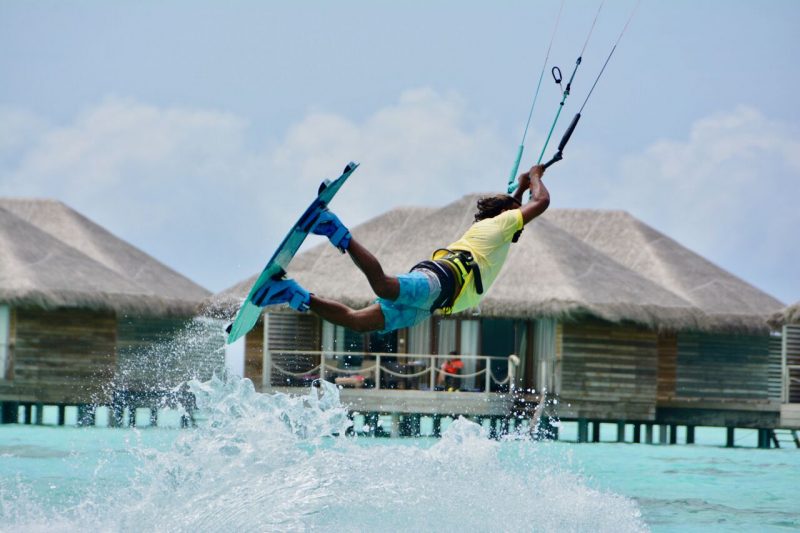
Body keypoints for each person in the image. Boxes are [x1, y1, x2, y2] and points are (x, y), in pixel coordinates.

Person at [257, 164, 550, 333]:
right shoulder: (501, 225)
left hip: (434, 302)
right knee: (383, 287)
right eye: (518, 210)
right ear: (508, 214)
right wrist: (536, 176)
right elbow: (542, 202)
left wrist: (521, 187)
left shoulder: (495, 228)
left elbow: (514, 203)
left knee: (358, 322)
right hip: (440, 282)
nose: (522, 218)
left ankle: (291, 293)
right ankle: (334, 229)